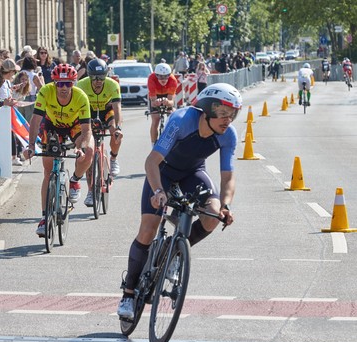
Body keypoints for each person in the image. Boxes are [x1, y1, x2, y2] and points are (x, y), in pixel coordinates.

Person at [117, 83, 240, 320]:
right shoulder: (182, 120)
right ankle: (129, 294)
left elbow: (228, 176)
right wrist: (158, 191)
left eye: (232, 114)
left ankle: (175, 253)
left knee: (212, 215)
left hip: (193, 173)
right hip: (162, 172)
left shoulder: (228, 135)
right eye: (223, 113)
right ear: (207, 110)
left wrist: (225, 206)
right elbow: (152, 162)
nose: (228, 120)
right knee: (148, 229)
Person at [23, 64, 94, 236]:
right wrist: (31, 145)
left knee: (90, 150)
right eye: (60, 84)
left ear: (73, 84)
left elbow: (86, 130)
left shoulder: (81, 97)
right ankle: (44, 217)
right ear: (54, 83)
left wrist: (80, 148)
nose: (63, 88)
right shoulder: (46, 91)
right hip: (52, 126)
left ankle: (75, 180)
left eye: (68, 84)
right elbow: (35, 119)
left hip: (74, 127)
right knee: (48, 172)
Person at [76, 58, 123, 207]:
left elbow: (117, 109)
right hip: (88, 113)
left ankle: (114, 159)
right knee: (89, 153)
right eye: (94, 78)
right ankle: (90, 191)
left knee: (114, 130)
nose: (98, 81)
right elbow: (78, 109)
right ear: (88, 76)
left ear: (106, 76)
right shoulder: (81, 85)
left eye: (101, 77)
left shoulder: (112, 85)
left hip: (106, 112)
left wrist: (118, 127)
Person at [147, 62, 178, 145]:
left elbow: (171, 102)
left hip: (167, 95)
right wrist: (155, 102)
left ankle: (173, 140)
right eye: (160, 77)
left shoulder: (173, 80)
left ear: (169, 75)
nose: (163, 79)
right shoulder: (151, 79)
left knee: (172, 117)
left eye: (166, 76)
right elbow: (153, 102)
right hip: (155, 95)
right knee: (156, 119)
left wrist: (167, 102)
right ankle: (153, 144)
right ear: (156, 75)